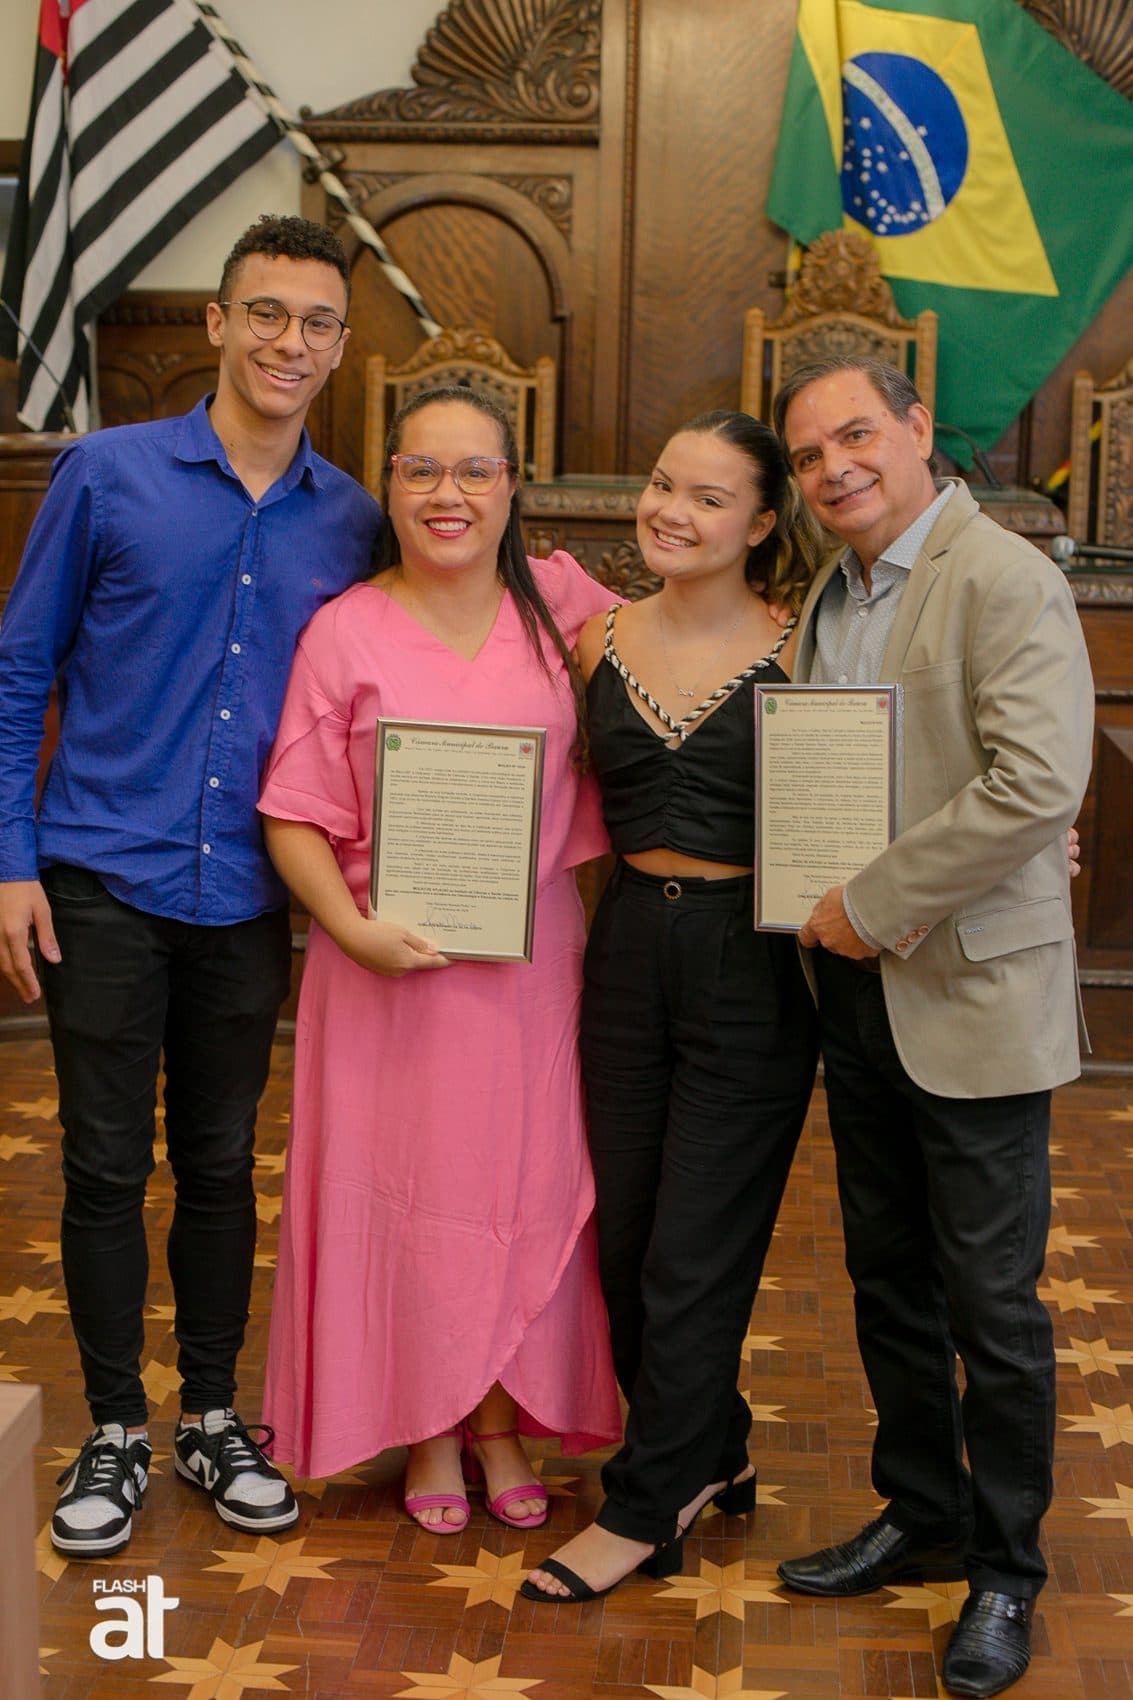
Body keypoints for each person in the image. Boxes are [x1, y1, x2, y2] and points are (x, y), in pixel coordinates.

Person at [0, 214, 381, 1558]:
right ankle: (115, 1427)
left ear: (340, 346)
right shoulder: (105, 475)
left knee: (222, 1162)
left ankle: (213, 1416)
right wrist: (9, 861)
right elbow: (19, 671)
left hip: (251, 896)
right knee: (105, 1162)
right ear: (217, 323)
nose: (289, 341)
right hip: (101, 873)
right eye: (265, 312)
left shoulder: (353, 519)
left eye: (316, 322)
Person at [772, 357, 1093, 1700]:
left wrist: (869, 901)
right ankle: (921, 1510)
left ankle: (1005, 1570)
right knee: (887, 1276)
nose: (832, 467)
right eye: (807, 455)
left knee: (992, 1302)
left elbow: (1036, 783)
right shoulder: (826, 595)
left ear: (915, 429)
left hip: (965, 991)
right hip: (853, 988)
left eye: (855, 434)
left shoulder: (1002, 577)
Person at [255, 385, 621, 1533]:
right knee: (403, 1199)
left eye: (474, 470)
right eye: (420, 470)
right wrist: (348, 926)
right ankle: (424, 1425)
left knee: (523, 1188)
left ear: (512, 486)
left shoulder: (565, 609)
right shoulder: (345, 628)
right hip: (380, 971)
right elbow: (292, 811)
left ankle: (499, 1420)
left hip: (527, 971)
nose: (446, 493)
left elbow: (698, 669)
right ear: (389, 486)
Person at [522, 411, 824, 1603]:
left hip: (754, 963)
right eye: (661, 484)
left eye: (707, 497)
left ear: (759, 523)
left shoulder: (804, 644)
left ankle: (646, 1504)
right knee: (623, 1238)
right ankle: (714, 1439)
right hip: (624, 949)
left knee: (695, 1251)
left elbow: (889, 774)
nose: (670, 511)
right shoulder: (593, 638)